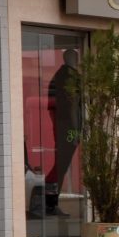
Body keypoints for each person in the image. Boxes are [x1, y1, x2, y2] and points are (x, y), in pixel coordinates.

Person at [47, 49, 81, 216]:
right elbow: (73, 105)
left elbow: (52, 108)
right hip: (69, 127)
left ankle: (49, 201)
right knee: (62, 164)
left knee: (61, 164)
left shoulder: (58, 76)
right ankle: (49, 202)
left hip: (61, 125)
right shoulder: (71, 77)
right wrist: (75, 131)